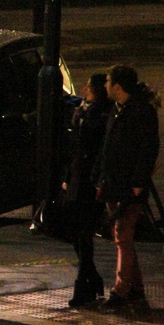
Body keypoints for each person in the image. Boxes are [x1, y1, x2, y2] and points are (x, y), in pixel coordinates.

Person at [94, 64, 161, 313]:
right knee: (123, 237)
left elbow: (148, 149)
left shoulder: (141, 112)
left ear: (118, 87)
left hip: (129, 187)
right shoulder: (118, 109)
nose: (105, 85)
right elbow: (108, 147)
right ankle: (136, 287)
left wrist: (137, 183)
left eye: (108, 81)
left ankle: (121, 289)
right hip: (114, 184)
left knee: (122, 234)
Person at [62, 73, 113, 308]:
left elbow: (96, 148)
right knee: (74, 230)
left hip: (90, 181)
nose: (85, 90)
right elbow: (74, 147)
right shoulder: (84, 110)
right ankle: (92, 278)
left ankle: (84, 286)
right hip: (77, 177)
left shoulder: (103, 115)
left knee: (83, 232)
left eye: (90, 87)